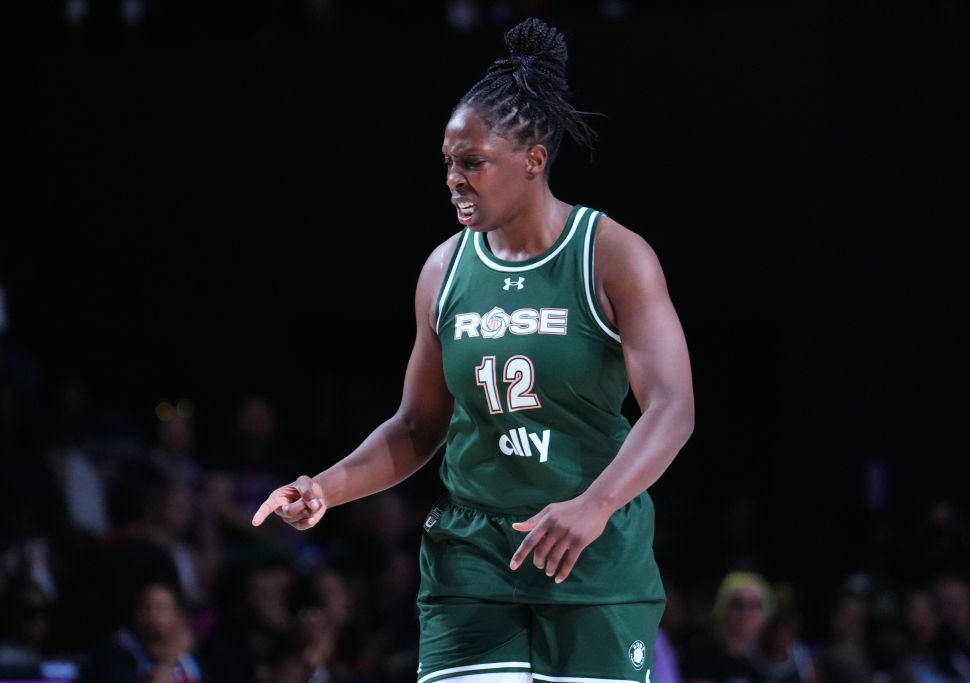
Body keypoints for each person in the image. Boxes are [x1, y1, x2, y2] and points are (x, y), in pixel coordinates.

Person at [252, 16, 694, 683]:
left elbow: (673, 407)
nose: (453, 178)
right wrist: (325, 487)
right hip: (473, 553)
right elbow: (417, 424)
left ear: (533, 161)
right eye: (448, 163)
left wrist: (595, 504)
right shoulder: (444, 271)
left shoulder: (611, 256)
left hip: (591, 552)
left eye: (472, 163)